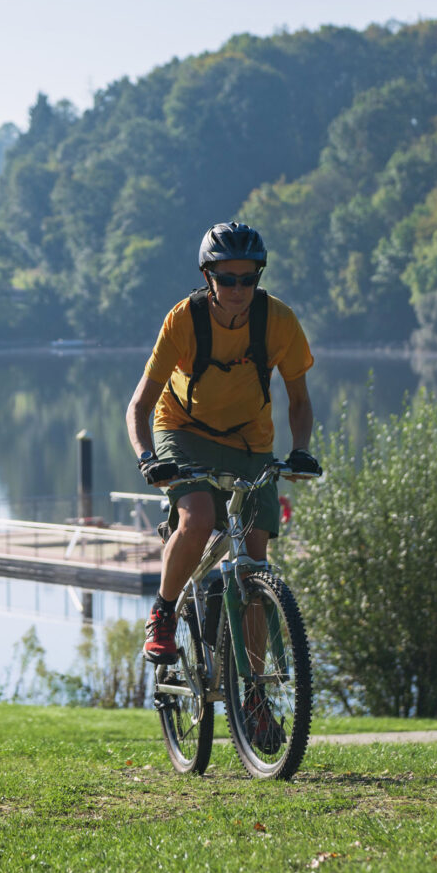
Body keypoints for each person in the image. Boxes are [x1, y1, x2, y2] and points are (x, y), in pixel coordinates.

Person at [127, 222, 321, 745]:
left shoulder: (278, 321)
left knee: (254, 564)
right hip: (181, 430)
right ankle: (164, 615)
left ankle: (254, 701)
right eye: (226, 278)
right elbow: (139, 406)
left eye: (248, 278)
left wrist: (300, 450)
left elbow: (299, 401)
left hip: (248, 439)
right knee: (200, 518)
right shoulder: (183, 321)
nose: (238, 289)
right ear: (207, 276)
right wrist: (149, 458)